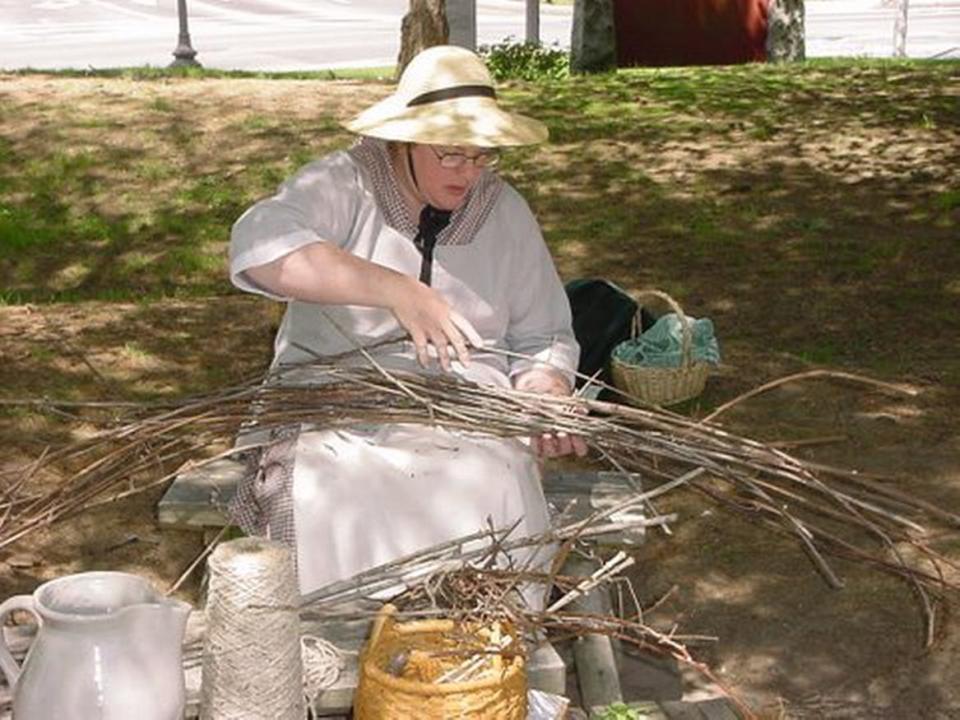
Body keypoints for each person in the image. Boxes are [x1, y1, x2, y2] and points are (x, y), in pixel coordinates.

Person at [227, 45, 586, 597]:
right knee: (327, 487)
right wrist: (394, 289)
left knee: (487, 479)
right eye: (449, 154)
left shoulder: (504, 212)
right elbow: (259, 245)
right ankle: (335, 649)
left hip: (467, 416)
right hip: (331, 406)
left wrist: (546, 389)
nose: (468, 172)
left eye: (481, 154)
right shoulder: (346, 185)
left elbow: (543, 336)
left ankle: (474, 661)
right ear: (406, 138)